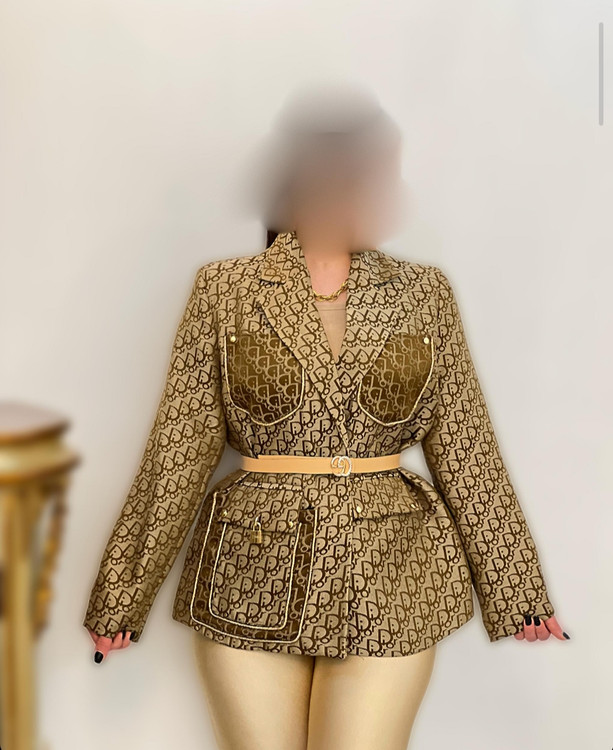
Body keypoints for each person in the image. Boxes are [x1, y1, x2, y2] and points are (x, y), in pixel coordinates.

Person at [83, 83, 569, 750]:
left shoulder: (422, 293)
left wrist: (517, 592)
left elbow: (467, 450)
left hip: (391, 579)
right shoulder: (225, 290)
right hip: (250, 574)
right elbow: (179, 448)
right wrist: (121, 596)